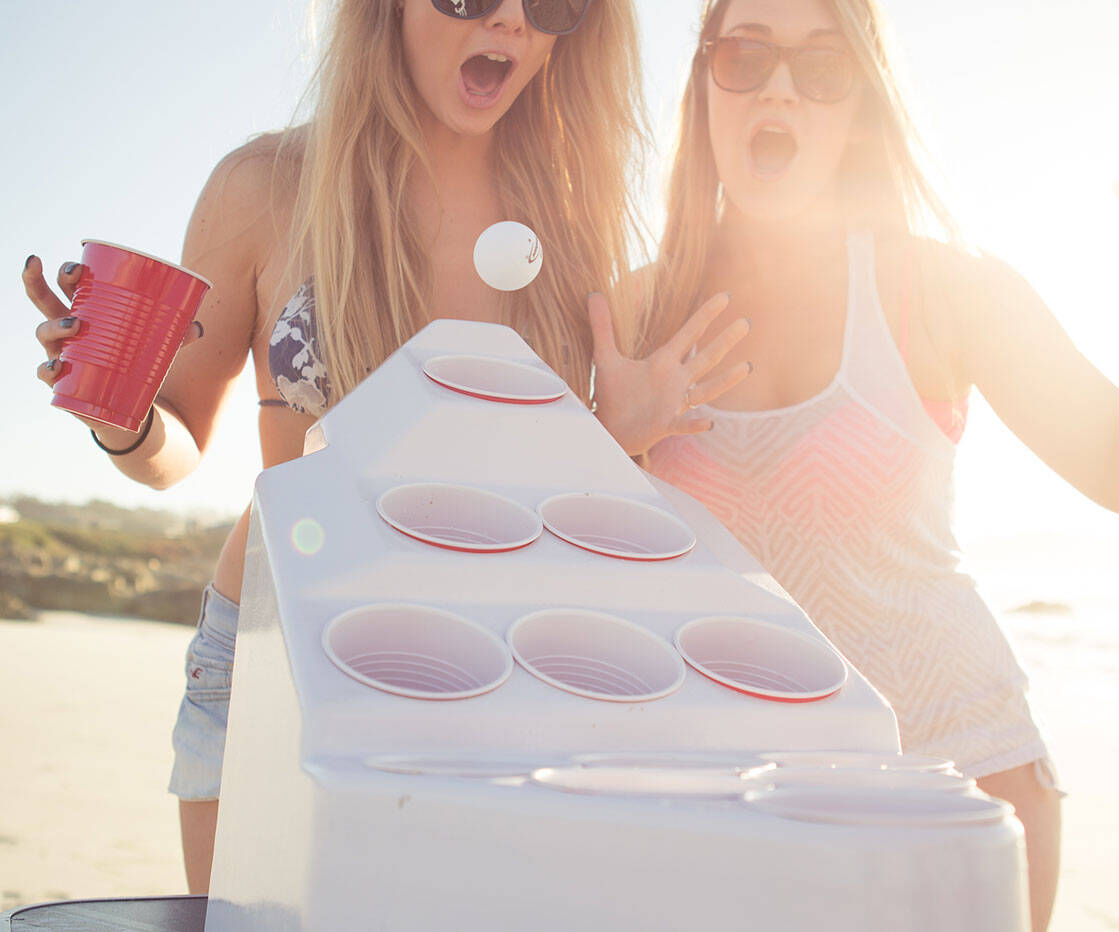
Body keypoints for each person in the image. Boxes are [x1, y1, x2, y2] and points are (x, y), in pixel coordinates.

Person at [24, 0, 665, 895]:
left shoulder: (569, 219)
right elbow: (173, 449)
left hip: (487, 672)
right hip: (269, 647)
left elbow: (565, 507)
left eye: (551, 3)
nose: (512, 22)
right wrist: (117, 411)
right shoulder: (265, 185)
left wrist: (621, 439)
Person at [588, 1, 1119, 929]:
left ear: (858, 103)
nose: (780, 86)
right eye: (745, 56)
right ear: (703, 86)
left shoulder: (947, 289)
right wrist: (607, 432)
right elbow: (561, 567)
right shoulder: (636, 310)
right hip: (725, 809)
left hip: (957, 789)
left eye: (821, 67)